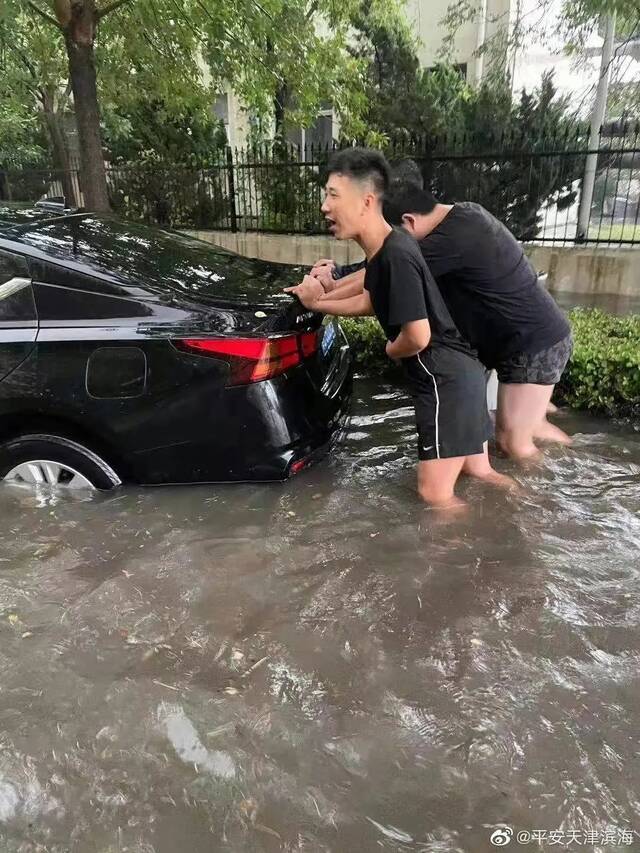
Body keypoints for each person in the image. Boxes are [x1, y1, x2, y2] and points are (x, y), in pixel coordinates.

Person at [285, 148, 514, 509]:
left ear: (366, 201)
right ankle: (526, 509)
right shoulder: (387, 247)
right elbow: (370, 300)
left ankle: (486, 560)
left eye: (333, 195)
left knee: (435, 498)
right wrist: (319, 303)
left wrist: (391, 349)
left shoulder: (395, 254)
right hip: (464, 376)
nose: (324, 207)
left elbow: (418, 336)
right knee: (481, 475)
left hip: (444, 384)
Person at [309, 182, 573, 460]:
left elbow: (384, 278)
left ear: (409, 222)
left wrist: (331, 285)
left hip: (532, 345)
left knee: (513, 443)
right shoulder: (460, 218)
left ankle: (555, 484)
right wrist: (338, 274)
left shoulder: (452, 239)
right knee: (524, 428)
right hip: (522, 341)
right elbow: (380, 269)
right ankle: (566, 455)